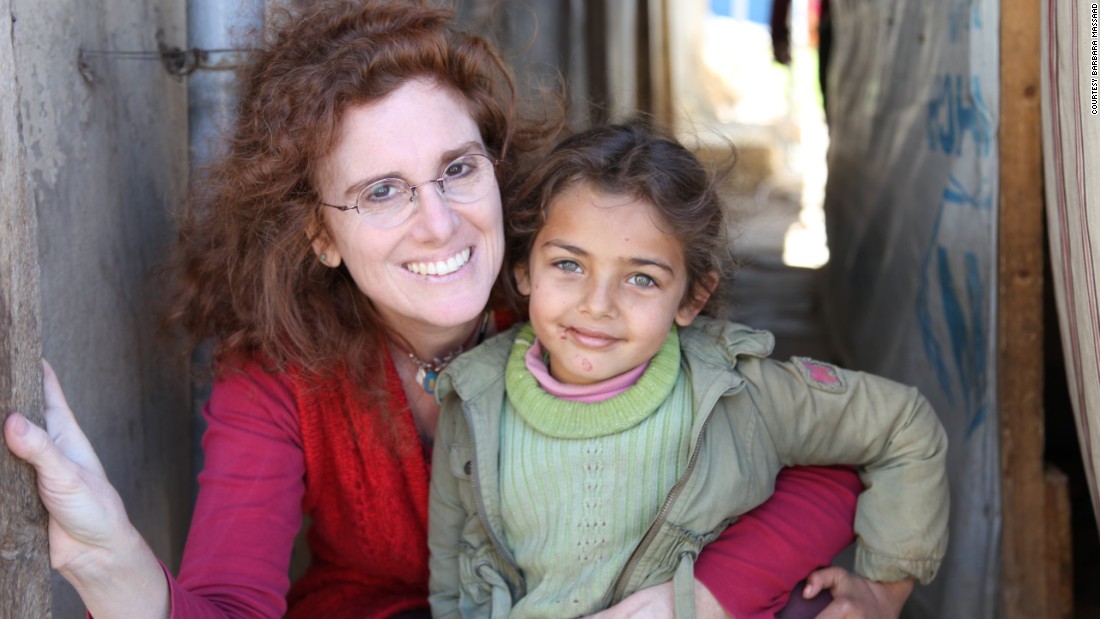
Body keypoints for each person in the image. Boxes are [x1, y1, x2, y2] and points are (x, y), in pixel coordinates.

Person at [3, 1, 883, 617]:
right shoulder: (279, 378)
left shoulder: (578, 294)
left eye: (458, 169)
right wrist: (112, 563)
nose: (439, 222)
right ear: (321, 235)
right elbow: (231, 606)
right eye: (382, 190)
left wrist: (704, 596)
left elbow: (827, 463)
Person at [427, 120, 949, 618]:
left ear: (692, 298)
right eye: (569, 265)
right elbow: (452, 584)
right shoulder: (474, 399)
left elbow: (903, 425)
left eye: (642, 279)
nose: (597, 303)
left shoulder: (737, 394)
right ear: (524, 269)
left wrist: (885, 592)